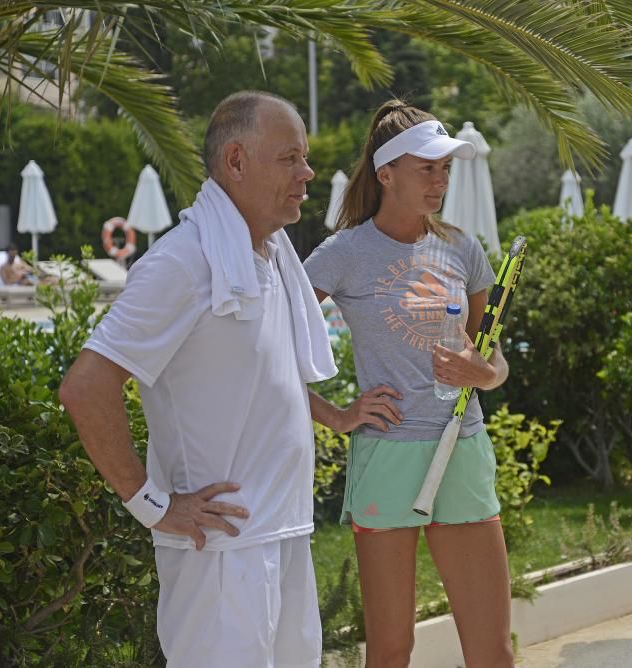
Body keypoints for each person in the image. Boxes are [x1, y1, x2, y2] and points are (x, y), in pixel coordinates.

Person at [59, 91, 385, 668]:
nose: (307, 172)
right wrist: (154, 506)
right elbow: (86, 387)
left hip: (282, 533)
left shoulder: (272, 255)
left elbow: (267, 374)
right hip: (218, 554)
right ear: (235, 161)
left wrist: (336, 416)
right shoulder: (182, 263)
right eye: (290, 158)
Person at [302, 100, 514, 667]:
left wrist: (483, 374)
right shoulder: (343, 253)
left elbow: (493, 358)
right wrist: (337, 414)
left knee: (493, 651)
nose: (440, 181)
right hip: (387, 455)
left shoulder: (463, 248)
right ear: (386, 172)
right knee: (392, 649)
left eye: (445, 169)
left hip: (462, 448)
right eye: (428, 168)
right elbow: (267, 350)